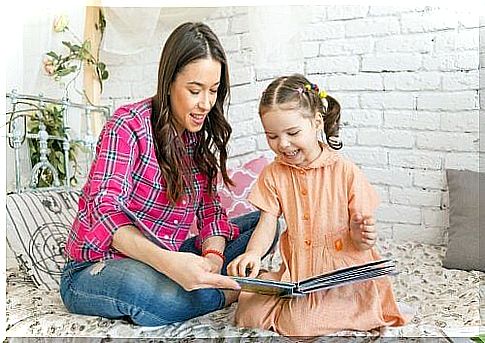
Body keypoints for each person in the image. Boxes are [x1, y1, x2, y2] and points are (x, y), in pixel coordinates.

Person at [60, 22, 276, 327]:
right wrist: (171, 264)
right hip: (96, 267)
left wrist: (213, 259)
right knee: (143, 290)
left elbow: (212, 214)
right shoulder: (128, 127)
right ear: (169, 81)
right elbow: (103, 211)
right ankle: (234, 292)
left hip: (167, 258)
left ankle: (204, 284)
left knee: (263, 224)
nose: (205, 103)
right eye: (194, 90)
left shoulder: (196, 140)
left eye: (213, 91)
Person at [227, 74, 410, 336]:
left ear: (316, 123)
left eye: (292, 133)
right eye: (272, 136)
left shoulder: (345, 171)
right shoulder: (274, 173)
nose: (283, 144)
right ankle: (280, 291)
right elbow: (266, 224)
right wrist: (253, 254)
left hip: (341, 274)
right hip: (301, 271)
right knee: (247, 314)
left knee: (300, 325)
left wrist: (361, 235)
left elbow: (362, 241)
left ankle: (350, 308)